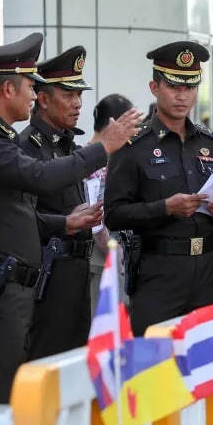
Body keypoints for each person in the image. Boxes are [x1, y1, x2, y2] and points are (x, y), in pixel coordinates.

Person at [0, 32, 141, 403]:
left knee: (37, 391)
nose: (32, 94)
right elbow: (39, 176)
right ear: (8, 89)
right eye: (29, 86)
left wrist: (65, 223)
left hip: (14, 287)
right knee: (5, 398)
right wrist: (103, 147)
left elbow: (20, 215)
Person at [104, 41, 213, 337]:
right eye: (174, 86)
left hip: (209, 271)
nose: (182, 95)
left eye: (190, 87)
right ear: (155, 87)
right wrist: (165, 208)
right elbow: (114, 214)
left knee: (206, 359)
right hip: (159, 272)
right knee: (156, 357)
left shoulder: (212, 143)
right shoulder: (133, 144)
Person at [16, 46, 96, 360]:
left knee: (77, 365)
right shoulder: (27, 147)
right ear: (43, 99)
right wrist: (67, 223)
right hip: (49, 276)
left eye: (79, 95)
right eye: (68, 95)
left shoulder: (67, 145)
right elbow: (22, 217)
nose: (77, 103)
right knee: (49, 362)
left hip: (78, 272)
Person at [88, 93, 134, 315]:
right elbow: (95, 220)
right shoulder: (91, 161)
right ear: (114, 124)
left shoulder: (112, 158)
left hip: (120, 257)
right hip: (104, 258)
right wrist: (114, 252)